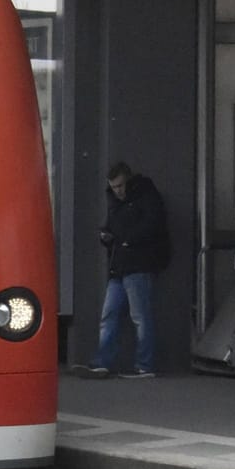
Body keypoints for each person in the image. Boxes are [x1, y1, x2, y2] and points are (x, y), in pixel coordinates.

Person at [81, 161, 169, 379]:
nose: (117, 191)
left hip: (138, 263)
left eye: (120, 186)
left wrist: (124, 239)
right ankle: (105, 362)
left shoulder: (146, 197)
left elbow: (153, 225)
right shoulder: (118, 203)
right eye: (114, 187)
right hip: (121, 264)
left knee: (138, 316)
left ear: (128, 181)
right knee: (111, 315)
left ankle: (144, 365)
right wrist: (108, 237)